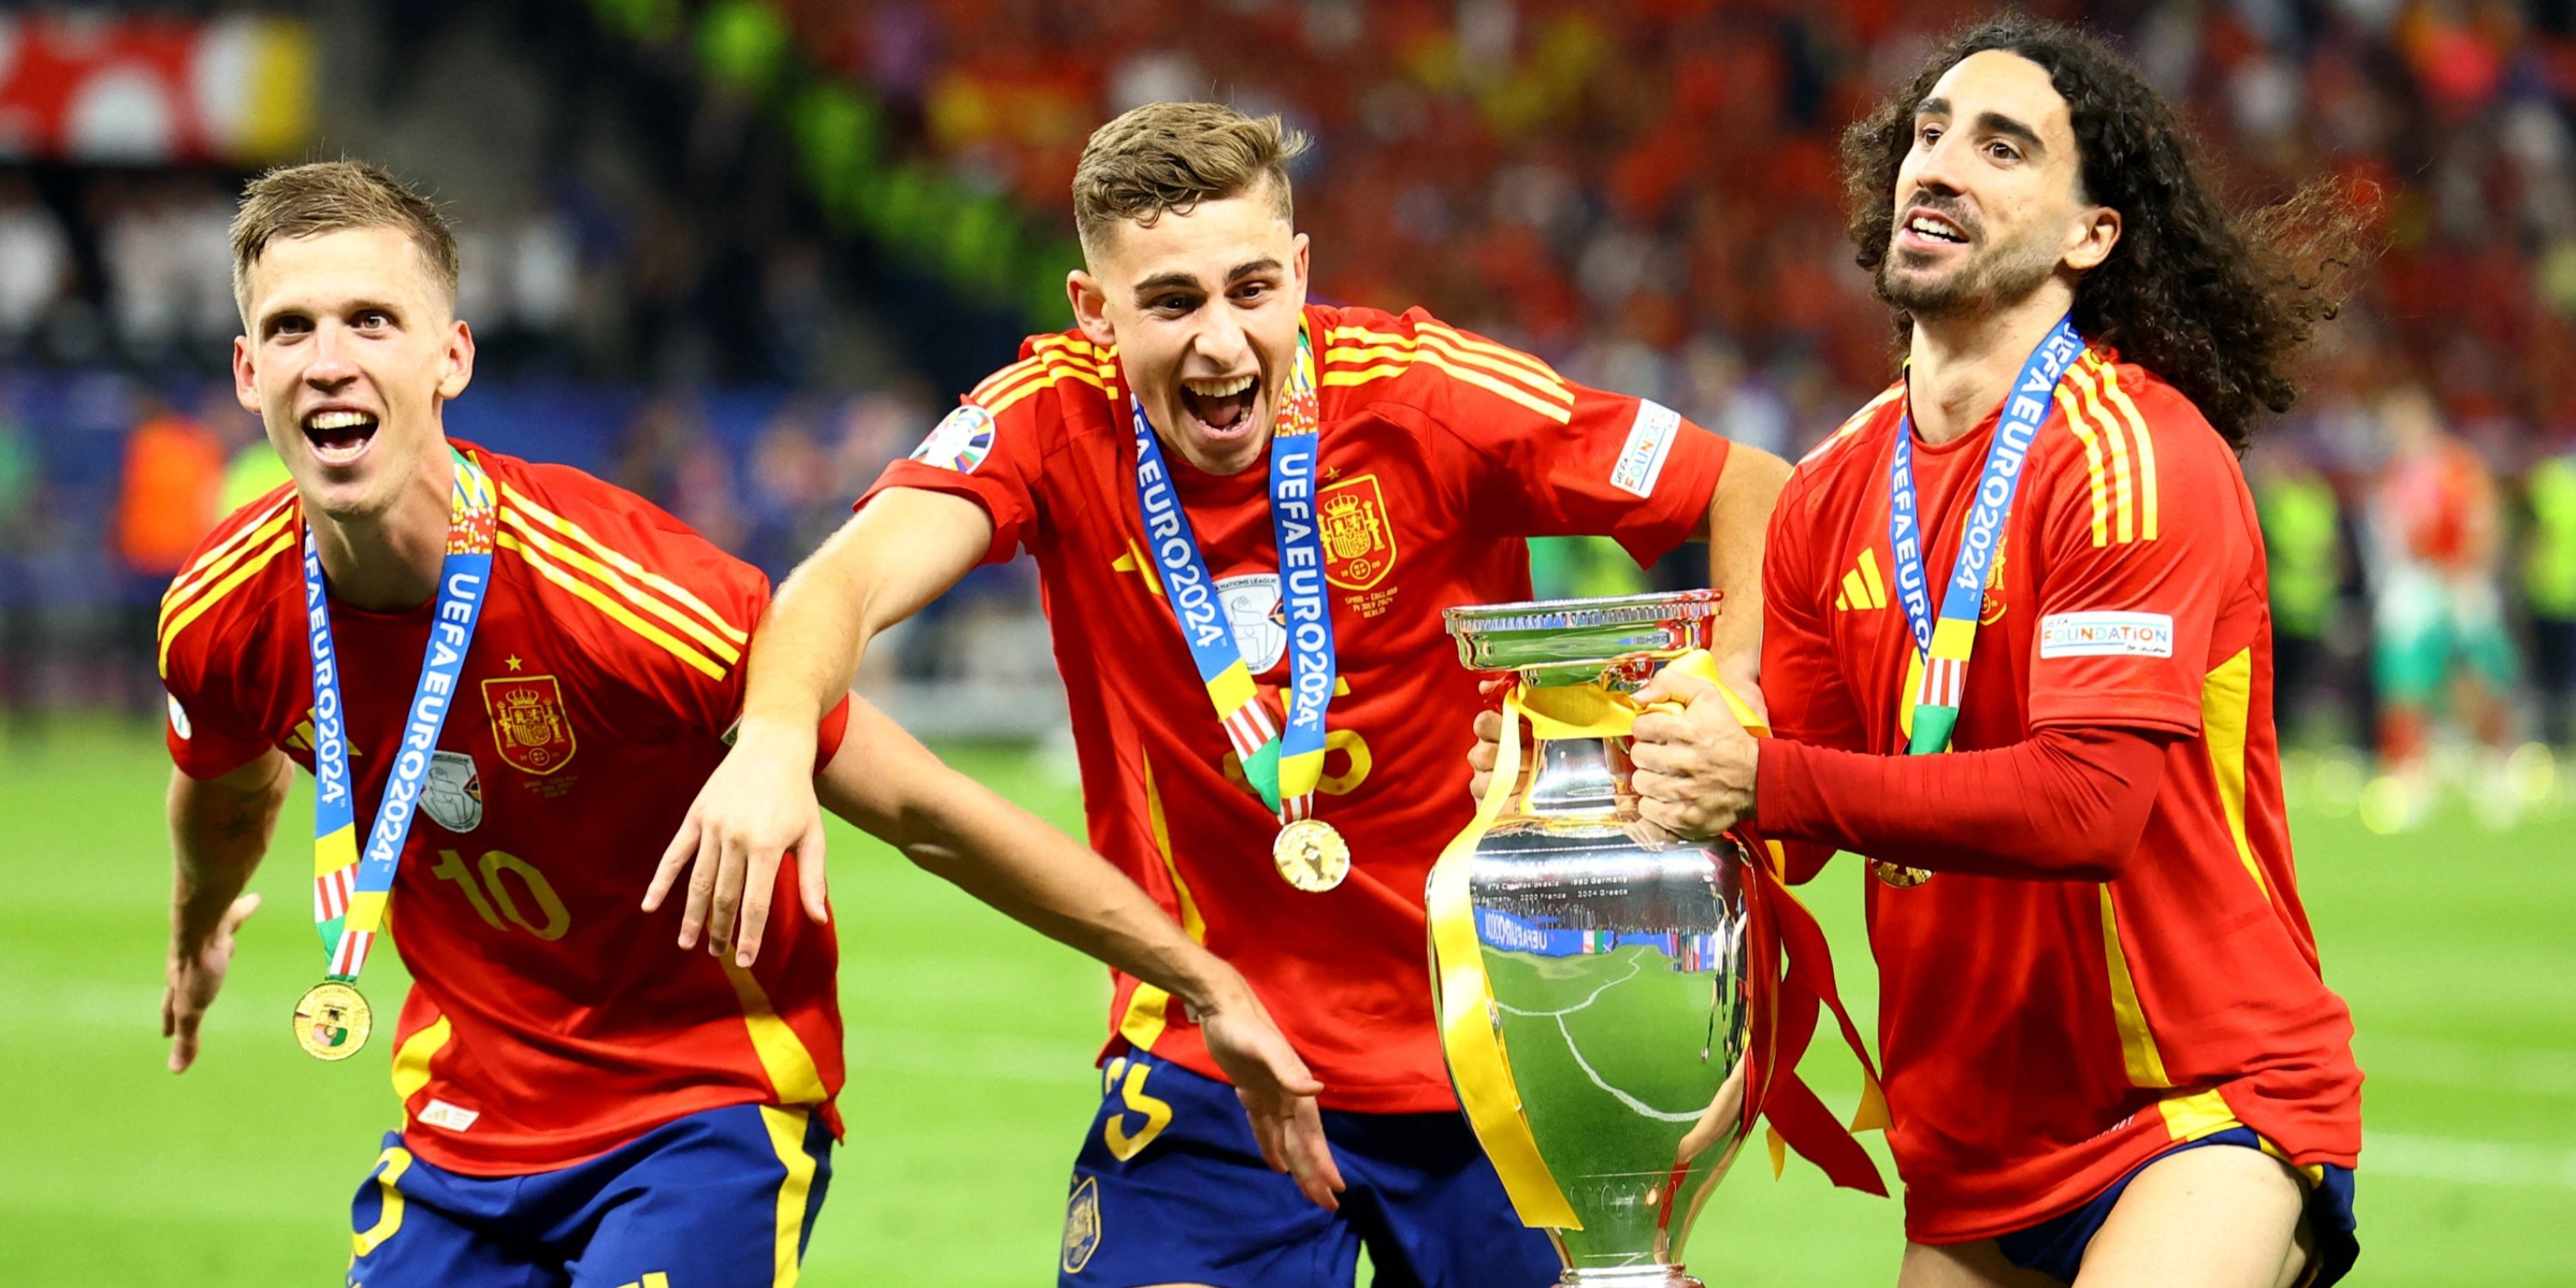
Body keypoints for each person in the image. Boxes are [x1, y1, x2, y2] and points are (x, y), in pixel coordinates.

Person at [666, 102, 1796, 1286]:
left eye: (1253, 289)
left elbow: (1750, 489)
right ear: (1092, 311)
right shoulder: (1047, 417)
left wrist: (1727, 702)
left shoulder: (1424, 392)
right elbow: (840, 582)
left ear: (1300, 270)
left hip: (1496, 1040)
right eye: (1171, 303)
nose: (1221, 343)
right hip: (1209, 1053)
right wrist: (777, 736)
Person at [156, 160, 1331, 1288]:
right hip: (459, 1125)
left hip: (697, 1109)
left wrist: (1199, 979)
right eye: (293, 329)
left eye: (371, 322)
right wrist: (198, 930)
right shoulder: (219, 614)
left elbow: (923, 810)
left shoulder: (623, 594)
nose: (329, 363)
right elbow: (227, 789)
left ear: (450, 355)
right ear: (248, 369)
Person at [1591, 17, 2364, 1288]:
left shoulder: (2132, 459)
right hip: (1972, 1135)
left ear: (2090, 235)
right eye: (1930, 133)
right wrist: (1636, 762)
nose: (1940, 163)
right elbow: (1800, 818)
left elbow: (2090, 803)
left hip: (2194, 1097)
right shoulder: (1833, 489)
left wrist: (1763, 778)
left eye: (2004, 147)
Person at [2359, 385, 2518, 827]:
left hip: (2460, 579)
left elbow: (2484, 520)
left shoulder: (2457, 466)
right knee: (2404, 681)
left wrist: (2470, 573)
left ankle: (2495, 770)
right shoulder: (2395, 474)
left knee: (2482, 676)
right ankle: (2410, 774)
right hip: (2413, 583)